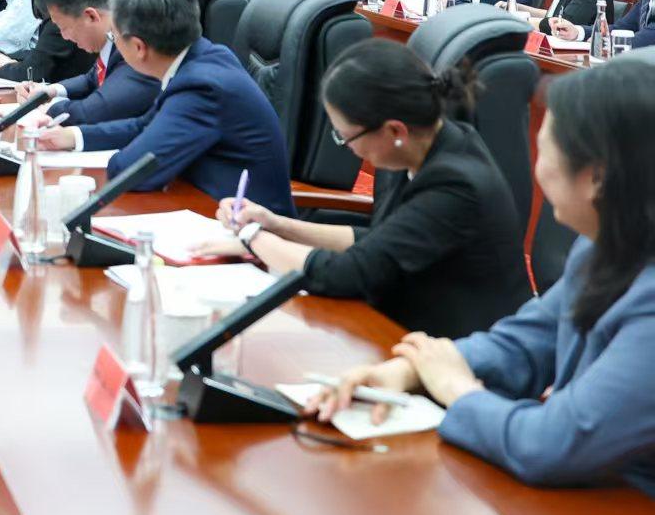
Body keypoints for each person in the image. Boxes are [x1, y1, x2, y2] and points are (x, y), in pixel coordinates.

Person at [312, 57, 655, 495]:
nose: (538, 168)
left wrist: (457, 389)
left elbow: (552, 445)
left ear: (598, 177)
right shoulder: (603, 245)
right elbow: (525, 341)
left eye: (546, 150)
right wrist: (409, 372)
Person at [202, 39, 530, 337]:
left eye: (346, 137)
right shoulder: (423, 145)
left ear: (394, 130)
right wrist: (276, 224)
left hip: (464, 354)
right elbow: (379, 241)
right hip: (410, 327)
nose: (347, 147)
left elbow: (350, 274)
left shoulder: (455, 186)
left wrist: (253, 238)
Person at [31, 0, 294, 210]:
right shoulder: (207, 57)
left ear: (138, 48)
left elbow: (130, 172)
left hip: (246, 231)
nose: (113, 44)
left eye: (115, 36)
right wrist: (73, 136)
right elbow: (144, 125)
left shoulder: (201, 88)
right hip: (207, 206)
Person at [5, 0, 160, 128]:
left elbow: (97, 110)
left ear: (91, 16)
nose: (64, 36)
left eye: (64, 27)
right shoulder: (111, 37)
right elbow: (92, 79)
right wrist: (49, 91)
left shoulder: (133, 43)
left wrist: (46, 108)